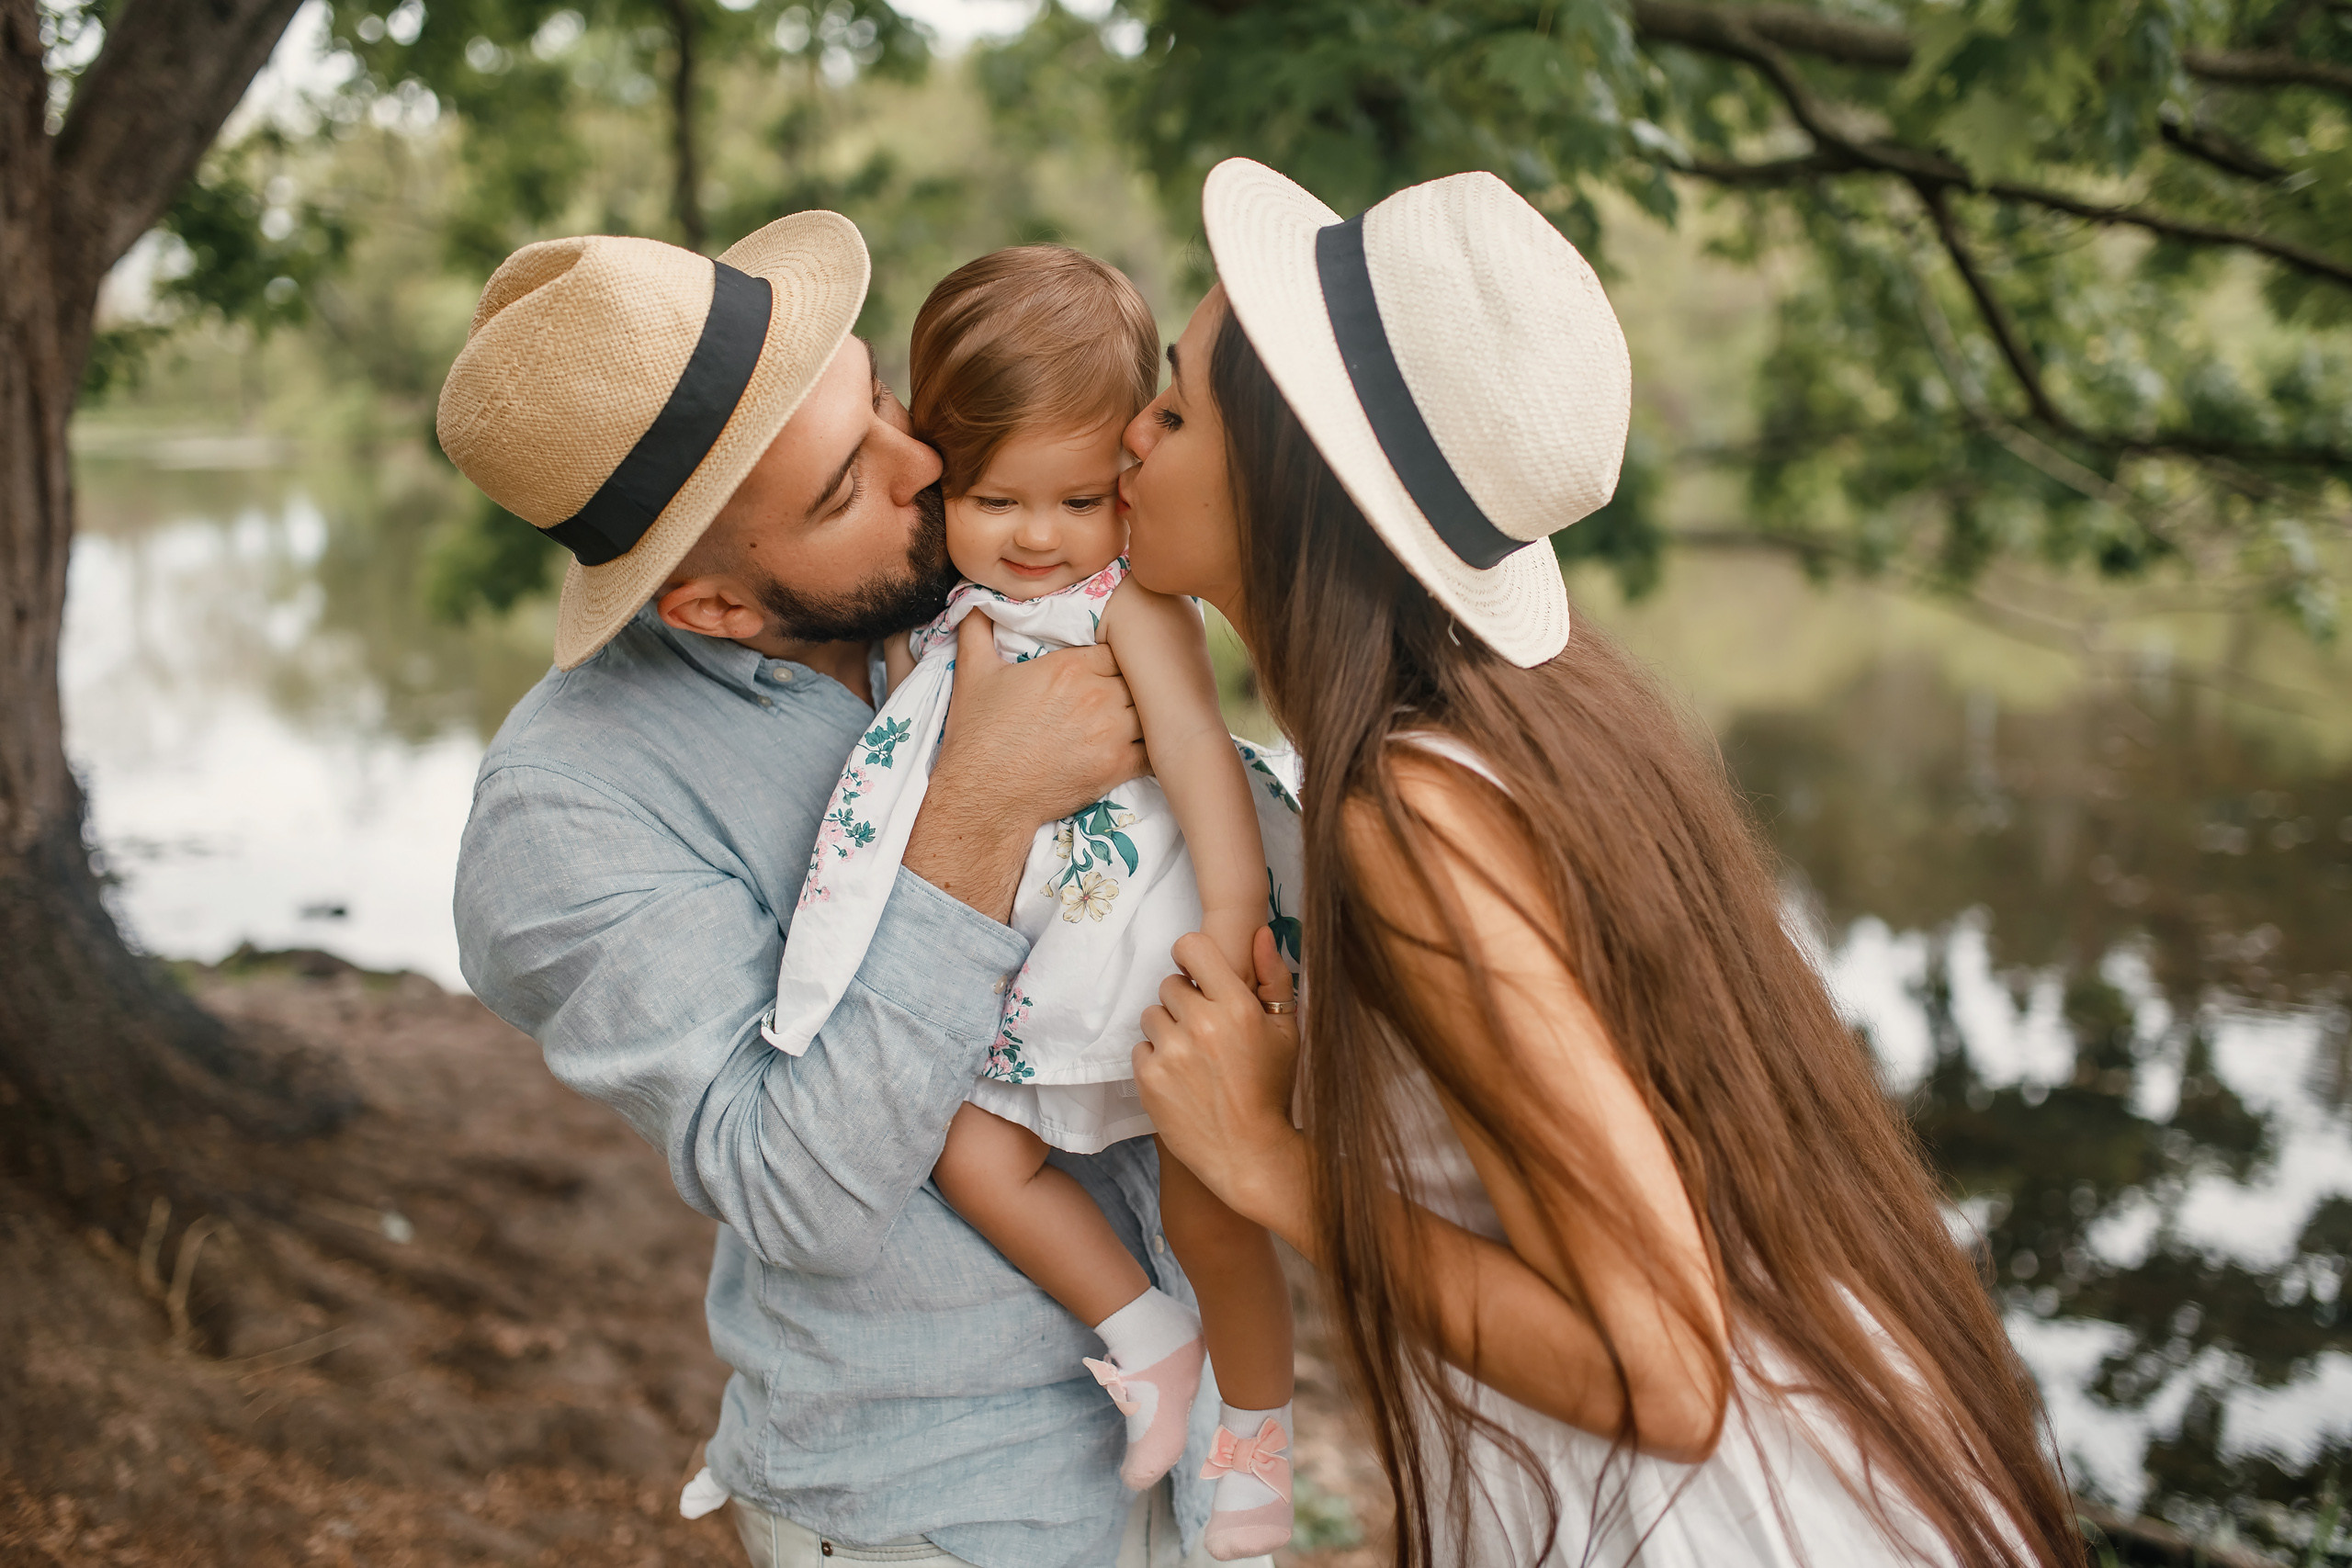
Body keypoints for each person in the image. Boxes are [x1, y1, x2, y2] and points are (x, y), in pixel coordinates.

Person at [1117, 160, 2082, 1568]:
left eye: (1179, 406)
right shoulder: (1535, 714)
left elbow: (1666, 1377)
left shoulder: (1416, 818)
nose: (1132, 434)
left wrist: (1271, 1164)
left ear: (1290, 487)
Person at [444, 213, 1268, 1567]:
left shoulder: (975, 586)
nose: (927, 466)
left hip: (1194, 1481)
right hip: (929, 1506)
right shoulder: (566, 814)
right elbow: (801, 1198)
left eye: (880, 400)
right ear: (708, 604)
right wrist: (977, 815)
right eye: (843, 487)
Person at [764, 245, 1301, 1560]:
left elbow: (1197, 759)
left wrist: (1236, 922)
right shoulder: (940, 611)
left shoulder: (1130, 604)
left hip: (1157, 960)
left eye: (1078, 497)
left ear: (1127, 474)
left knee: (1212, 1207)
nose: (1040, 535)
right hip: (1028, 972)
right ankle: (1144, 1334)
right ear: (939, 471)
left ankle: (1258, 1449)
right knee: (972, 1149)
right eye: (997, 497)